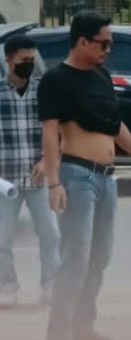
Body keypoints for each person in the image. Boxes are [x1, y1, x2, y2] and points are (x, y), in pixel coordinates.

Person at [38, 12, 131, 340]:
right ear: (82, 42)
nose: (109, 50)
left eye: (111, 44)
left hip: (106, 178)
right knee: (75, 258)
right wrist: (53, 181)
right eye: (103, 43)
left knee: (99, 256)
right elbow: (50, 131)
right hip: (77, 176)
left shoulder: (100, 75)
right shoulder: (56, 79)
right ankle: (57, 339)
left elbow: (114, 123)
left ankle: (83, 326)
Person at [0, 35, 59, 308]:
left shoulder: (43, 91)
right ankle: (7, 287)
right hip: (5, 178)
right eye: (24, 60)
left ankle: (51, 285)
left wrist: (47, 160)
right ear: (8, 60)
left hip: (38, 176)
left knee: (50, 234)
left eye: (32, 60)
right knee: (2, 239)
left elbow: (55, 131)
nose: (29, 65)